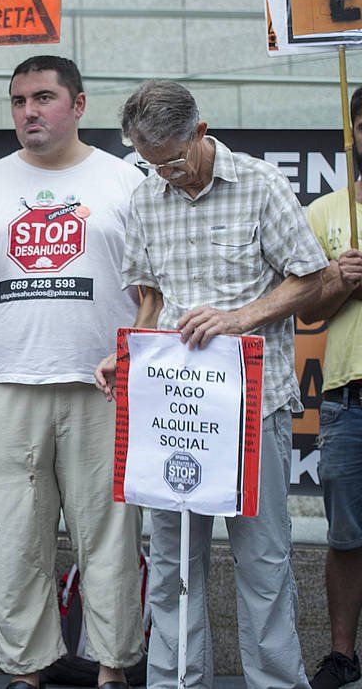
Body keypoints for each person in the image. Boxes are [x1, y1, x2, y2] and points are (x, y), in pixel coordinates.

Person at [97, 79, 328, 689]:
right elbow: (149, 299)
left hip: (255, 406)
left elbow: (311, 279)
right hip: (175, 414)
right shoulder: (146, 198)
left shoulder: (259, 184)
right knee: (174, 564)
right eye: (151, 163)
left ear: (202, 131)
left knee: (265, 562)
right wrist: (129, 354)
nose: (166, 174)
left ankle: (276, 683)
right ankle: (177, 682)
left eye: (174, 159)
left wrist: (240, 318)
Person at [0, 56, 145, 689]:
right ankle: (26, 672)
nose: (30, 110)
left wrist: (135, 346)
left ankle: (113, 668)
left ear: (78, 106)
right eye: (19, 99)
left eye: (44, 97)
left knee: (108, 539)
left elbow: (157, 284)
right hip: (5, 383)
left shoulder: (125, 180)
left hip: (103, 383)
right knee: (13, 542)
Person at [299, 87, 362, 689]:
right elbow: (308, 308)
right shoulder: (325, 212)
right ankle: (342, 653)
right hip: (349, 399)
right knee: (346, 536)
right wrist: (341, 281)